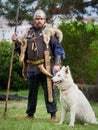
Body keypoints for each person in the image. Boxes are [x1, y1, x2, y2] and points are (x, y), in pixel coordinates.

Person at [11, 8, 65, 123]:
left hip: (46, 67)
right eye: (37, 19)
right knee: (32, 93)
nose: (39, 21)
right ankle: (30, 114)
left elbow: (58, 50)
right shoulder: (28, 34)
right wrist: (16, 42)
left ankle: (53, 115)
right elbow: (22, 51)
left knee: (49, 91)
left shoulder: (50, 33)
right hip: (32, 68)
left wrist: (56, 65)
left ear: (44, 20)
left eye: (41, 19)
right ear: (33, 20)